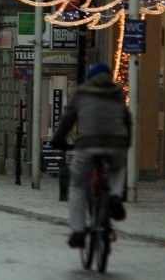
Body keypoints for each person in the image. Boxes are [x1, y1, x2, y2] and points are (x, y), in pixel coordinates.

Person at [51, 62, 131, 249]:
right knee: (118, 168)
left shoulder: (81, 94)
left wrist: (58, 141)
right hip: (116, 143)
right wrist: (126, 143)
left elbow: (67, 120)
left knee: (78, 185)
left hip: (88, 144)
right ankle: (115, 196)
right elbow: (127, 121)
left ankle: (78, 232)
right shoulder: (118, 94)